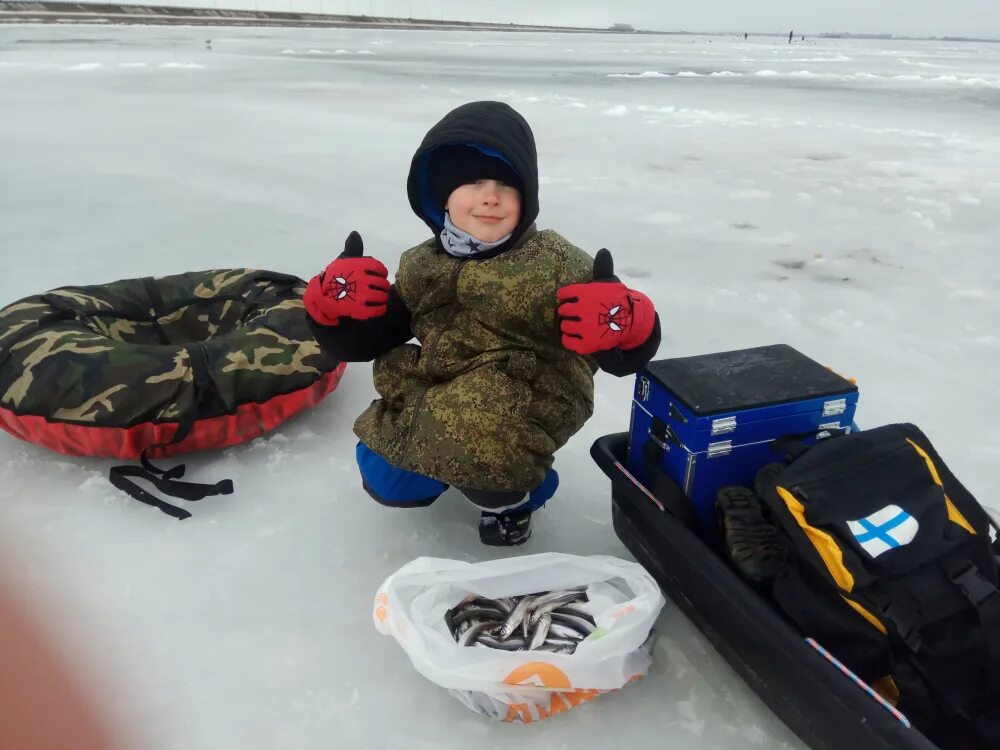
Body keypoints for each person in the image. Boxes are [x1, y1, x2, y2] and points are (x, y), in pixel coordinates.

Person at [304, 101, 661, 546]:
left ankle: (517, 498)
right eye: (473, 181)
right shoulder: (422, 263)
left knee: (488, 466)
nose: (490, 196)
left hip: (523, 396)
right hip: (440, 385)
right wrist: (330, 315)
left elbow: (619, 350)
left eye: (506, 186)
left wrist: (632, 327)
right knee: (389, 482)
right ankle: (456, 468)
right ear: (440, 194)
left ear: (526, 197)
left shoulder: (556, 261)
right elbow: (368, 340)